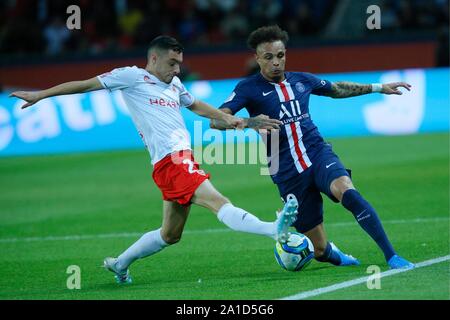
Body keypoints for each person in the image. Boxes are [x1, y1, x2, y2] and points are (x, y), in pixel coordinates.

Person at [9, 35, 298, 284]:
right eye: (172, 63)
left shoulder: (174, 85)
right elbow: (85, 85)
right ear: (154, 58)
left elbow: (197, 106)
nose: (176, 69)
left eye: (179, 64)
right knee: (218, 202)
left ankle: (120, 264)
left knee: (170, 234)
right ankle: (273, 230)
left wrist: (238, 121)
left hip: (176, 161)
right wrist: (41, 95)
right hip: (171, 161)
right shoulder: (132, 76)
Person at [212, 25, 414, 269]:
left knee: (346, 190)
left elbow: (337, 89)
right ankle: (334, 254)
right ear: (257, 58)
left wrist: (379, 87)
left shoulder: (301, 79)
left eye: (280, 55)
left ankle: (391, 255)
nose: (276, 62)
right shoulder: (248, 88)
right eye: (268, 57)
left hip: (317, 153)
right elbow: (216, 120)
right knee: (317, 249)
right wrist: (250, 121)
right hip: (286, 170)